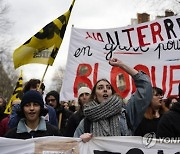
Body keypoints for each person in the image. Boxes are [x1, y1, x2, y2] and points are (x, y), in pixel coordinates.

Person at [74, 57, 153, 142]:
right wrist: (81, 141)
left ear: (112, 93)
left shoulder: (126, 114)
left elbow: (146, 86)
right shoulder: (85, 123)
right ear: (95, 96)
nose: (105, 89)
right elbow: (73, 146)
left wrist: (122, 65)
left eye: (108, 87)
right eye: (100, 88)